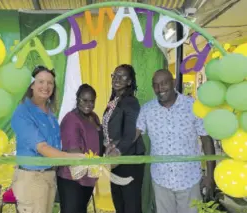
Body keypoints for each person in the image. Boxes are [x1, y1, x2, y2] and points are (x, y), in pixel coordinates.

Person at [136, 69, 216, 213]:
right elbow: (133, 136)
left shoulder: (193, 106)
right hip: (161, 180)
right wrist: (114, 148)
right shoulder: (147, 110)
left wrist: (210, 175)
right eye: (155, 85)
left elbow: (206, 140)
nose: (160, 88)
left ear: (173, 83)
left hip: (189, 179)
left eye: (164, 83)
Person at [11, 66, 84, 213]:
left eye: (50, 83)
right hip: (32, 179)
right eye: (41, 82)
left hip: (50, 175)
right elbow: (42, 147)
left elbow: (55, 145)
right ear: (32, 85)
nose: (46, 86)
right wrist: (71, 158)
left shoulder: (50, 112)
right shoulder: (23, 112)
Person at [103, 64, 145, 213]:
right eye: (115, 75)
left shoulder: (130, 102)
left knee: (130, 205)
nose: (117, 79)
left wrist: (117, 152)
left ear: (130, 82)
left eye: (122, 76)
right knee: (119, 201)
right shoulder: (114, 100)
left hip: (129, 159)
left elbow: (131, 133)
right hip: (116, 160)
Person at [57, 84, 101, 213]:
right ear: (77, 99)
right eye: (84, 100)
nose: (88, 104)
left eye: (92, 101)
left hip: (88, 176)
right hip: (71, 178)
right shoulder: (71, 119)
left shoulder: (94, 117)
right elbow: (73, 151)